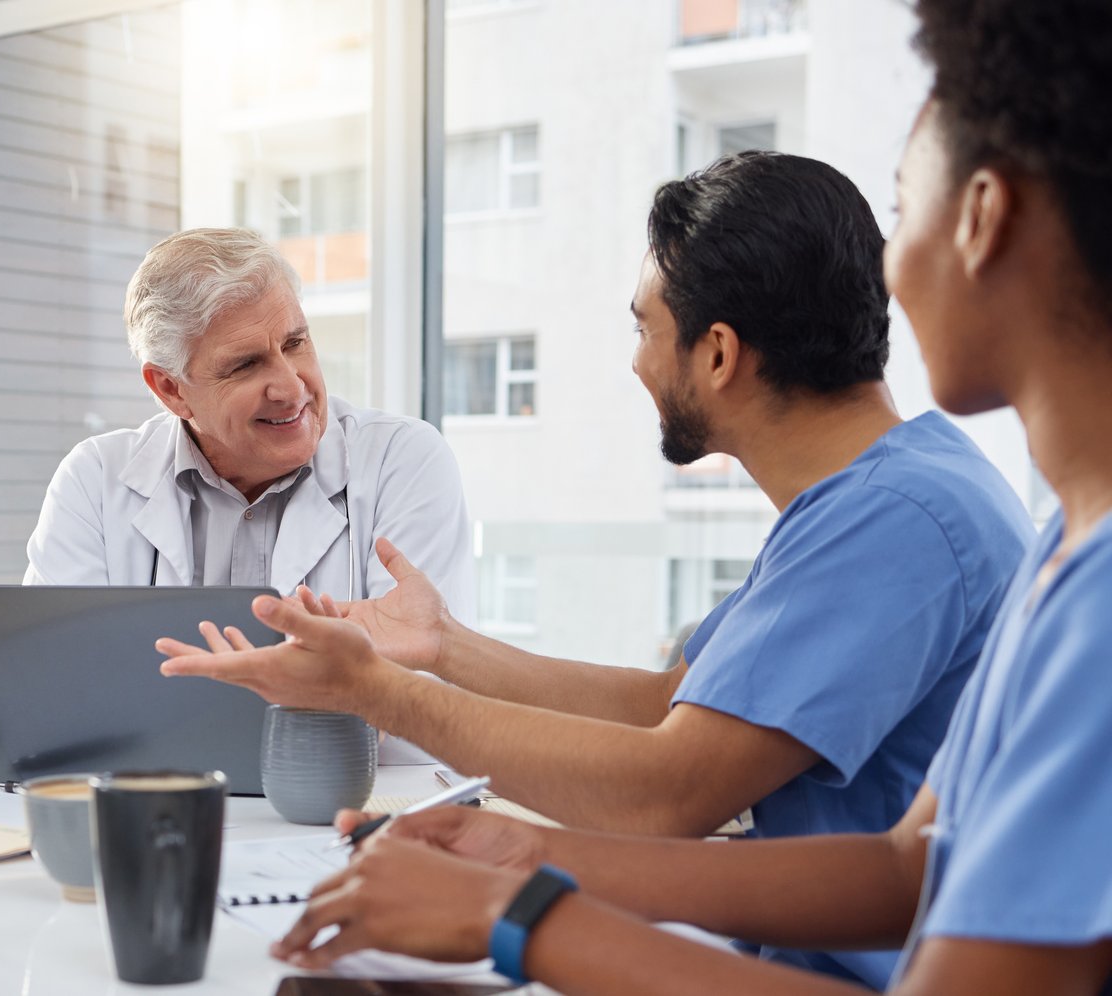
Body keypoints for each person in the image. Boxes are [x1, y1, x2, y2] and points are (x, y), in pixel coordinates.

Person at [260, 1, 1112, 991]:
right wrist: (527, 854)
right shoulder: (1050, 536)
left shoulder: (932, 524)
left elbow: (673, 785)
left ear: (978, 217)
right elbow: (906, 864)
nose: (892, 272)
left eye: (901, 204)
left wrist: (513, 910)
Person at [161, 153, 1035, 986]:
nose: (634, 362)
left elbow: (664, 794)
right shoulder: (881, 496)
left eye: (643, 328)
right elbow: (666, 707)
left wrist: (380, 692)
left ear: (720, 354)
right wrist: (442, 646)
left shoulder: (893, 522)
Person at [24, 227, 476, 610]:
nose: (291, 387)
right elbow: (58, 684)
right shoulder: (95, 482)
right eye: (246, 365)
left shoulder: (403, 462)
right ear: (171, 389)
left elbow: (420, 691)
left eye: (295, 344)